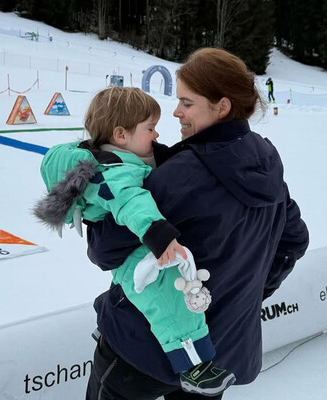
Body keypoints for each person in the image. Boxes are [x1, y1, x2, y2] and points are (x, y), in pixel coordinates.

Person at [85, 48, 309, 400]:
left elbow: (104, 250)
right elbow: (293, 240)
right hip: (219, 353)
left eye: (187, 103)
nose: (176, 112)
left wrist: (96, 207)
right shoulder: (265, 161)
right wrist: (242, 296)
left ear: (222, 107)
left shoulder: (182, 174)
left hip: (144, 348)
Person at [34, 86, 235, 397]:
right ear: (120, 135)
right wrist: (159, 234)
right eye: (150, 128)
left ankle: (186, 354)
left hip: (135, 248)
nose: (156, 135)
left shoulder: (119, 157)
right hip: (138, 254)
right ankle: (192, 364)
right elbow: (131, 202)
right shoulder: (114, 171)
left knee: (173, 294)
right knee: (169, 301)